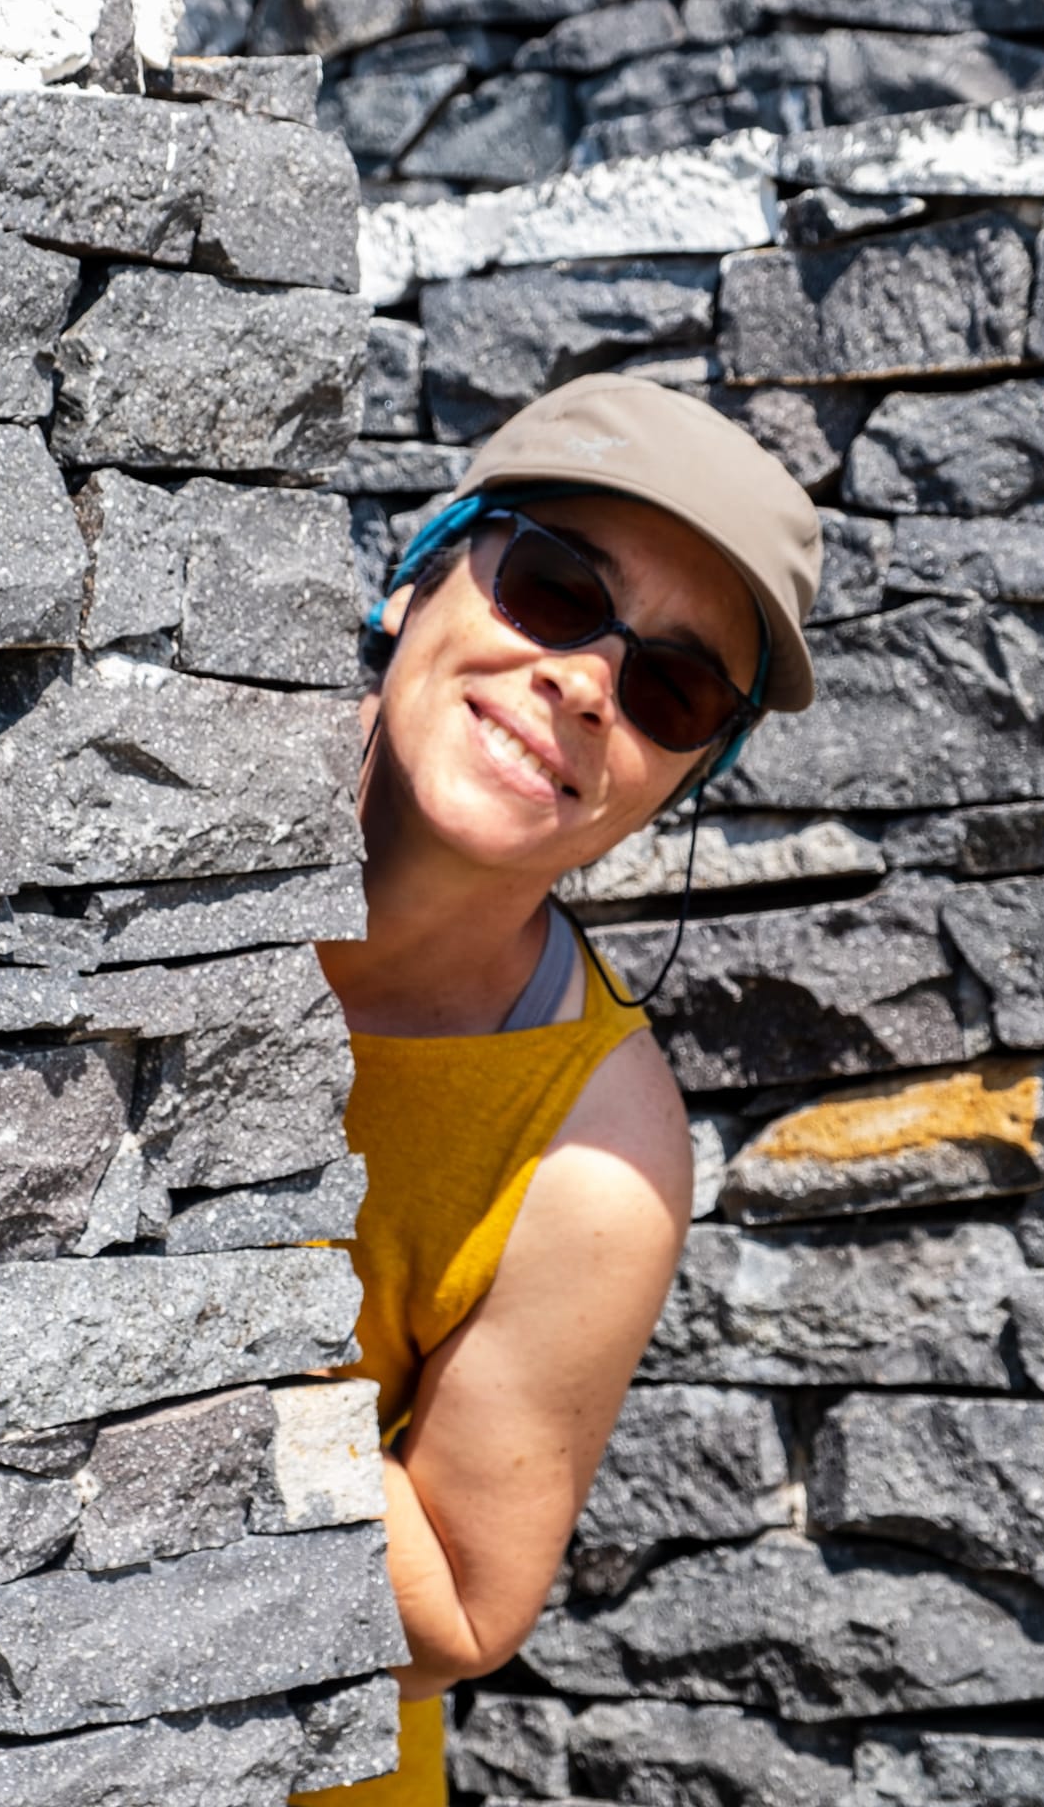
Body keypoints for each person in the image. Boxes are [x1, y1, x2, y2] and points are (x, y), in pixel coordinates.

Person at [300, 374, 823, 1806]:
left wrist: (207, 1300)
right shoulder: (110, 806)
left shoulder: (602, 1151)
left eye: (669, 687)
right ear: (421, 577)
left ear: (681, 776)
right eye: (551, 587)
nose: (588, 682)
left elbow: (460, 1608)